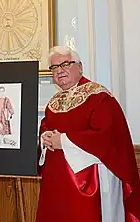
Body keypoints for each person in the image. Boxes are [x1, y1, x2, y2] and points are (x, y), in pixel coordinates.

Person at [36, 45, 140, 222]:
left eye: (65, 64)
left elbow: (107, 136)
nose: (59, 71)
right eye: (54, 67)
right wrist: (44, 137)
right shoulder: (53, 103)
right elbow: (46, 126)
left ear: (80, 67)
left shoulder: (98, 96)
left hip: (91, 179)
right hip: (56, 180)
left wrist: (64, 141)